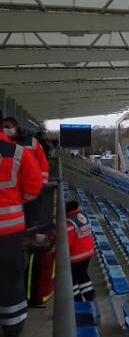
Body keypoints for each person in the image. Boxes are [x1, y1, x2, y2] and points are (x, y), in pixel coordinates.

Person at [0, 125, 43, 337]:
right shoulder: (18, 153)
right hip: (8, 231)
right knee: (10, 279)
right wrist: (17, 201)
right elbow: (34, 186)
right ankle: (13, 326)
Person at [65, 201, 95, 302]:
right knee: (81, 275)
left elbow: (66, 242)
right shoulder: (82, 216)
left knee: (78, 276)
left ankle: (80, 298)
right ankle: (86, 297)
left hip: (77, 255)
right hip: (88, 252)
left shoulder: (69, 222)